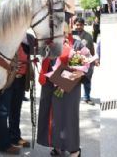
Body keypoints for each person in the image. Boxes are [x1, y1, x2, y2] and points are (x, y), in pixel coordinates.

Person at [37, 11, 84, 157]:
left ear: (68, 29)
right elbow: (44, 60)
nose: (60, 34)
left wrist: (79, 73)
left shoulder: (76, 43)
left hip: (69, 88)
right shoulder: (48, 44)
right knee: (53, 118)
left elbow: (81, 67)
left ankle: (74, 149)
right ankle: (57, 146)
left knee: (69, 118)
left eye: (63, 30)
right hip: (50, 86)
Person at [0, 37, 33, 154]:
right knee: (3, 112)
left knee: (16, 110)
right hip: (6, 80)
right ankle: (3, 144)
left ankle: (15, 137)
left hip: (20, 79)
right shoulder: (4, 35)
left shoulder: (27, 38)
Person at [72, 17, 96, 105]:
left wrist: (94, 59)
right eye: (77, 25)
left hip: (87, 62)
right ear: (74, 25)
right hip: (75, 62)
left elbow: (92, 47)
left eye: (80, 25)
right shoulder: (71, 35)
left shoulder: (88, 36)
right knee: (74, 81)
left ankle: (87, 97)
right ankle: (74, 97)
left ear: (83, 25)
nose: (78, 26)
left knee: (87, 80)